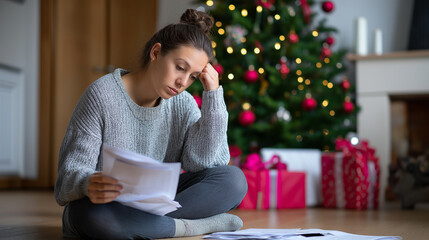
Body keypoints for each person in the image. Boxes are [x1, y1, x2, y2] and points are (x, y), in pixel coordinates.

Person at [54, 9, 247, 239]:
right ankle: (193, 226)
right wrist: (88, 183)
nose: (183, 82)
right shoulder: (101, 96)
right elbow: (66, 180)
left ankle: (146, 226)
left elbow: (204, 162)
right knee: (93, 217)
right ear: (156, 52)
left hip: (157, 203)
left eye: (193, 76)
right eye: (180, 67)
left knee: (234, 180)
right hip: (105, 204)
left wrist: (213, 94)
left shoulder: (182, 103)